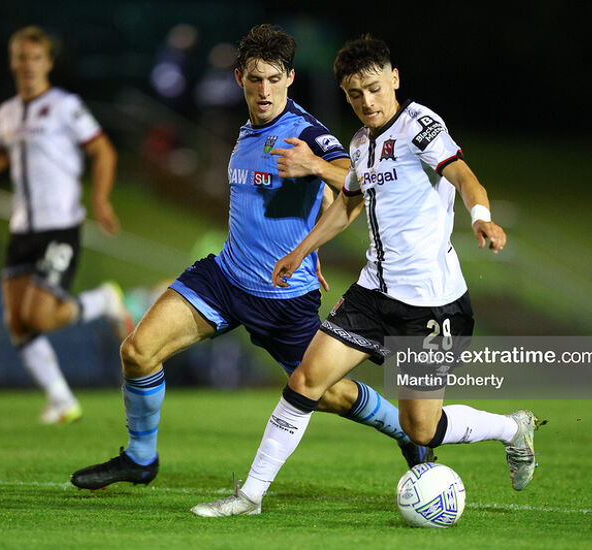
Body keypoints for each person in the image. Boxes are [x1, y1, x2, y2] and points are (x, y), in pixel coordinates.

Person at [70, 24, 433, 493]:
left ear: (290, 79)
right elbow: (309, 201)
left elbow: (352, 176)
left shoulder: (304, 131)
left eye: (274, 79)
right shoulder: (245, 131)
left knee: (333, 394)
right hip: (224, 278)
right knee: (137, 352)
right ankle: (140, 459)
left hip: (283, 297)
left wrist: (315, 170)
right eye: (256, 79)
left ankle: (405, 430)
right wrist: (313, 236)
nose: (265, 91)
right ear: (240, 77)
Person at [192, 35, 540, 517]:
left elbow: (462, 174)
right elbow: (349, 204)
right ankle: (250, 496)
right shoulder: (359, 144)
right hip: (372, 292)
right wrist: (300, 252)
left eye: (375, 89)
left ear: (394, 79)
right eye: (355, 95)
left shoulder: (420, 124)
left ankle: (510, 428)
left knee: (421, 428)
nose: (367, 102)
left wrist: (481, 215)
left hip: (431, 305)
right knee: (305, 379)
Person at [0, 26, 133, 424]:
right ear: (12, 62)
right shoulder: (6, 112)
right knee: (17, 321)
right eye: (21, 57)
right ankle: (61, 399)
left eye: (36, 58)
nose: (28, 65)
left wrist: (100, 199)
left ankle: (105, 302)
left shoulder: (65, 105)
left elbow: (102, 150)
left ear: (48, 63)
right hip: (22, 228)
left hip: (60, 226)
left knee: (40, 316)